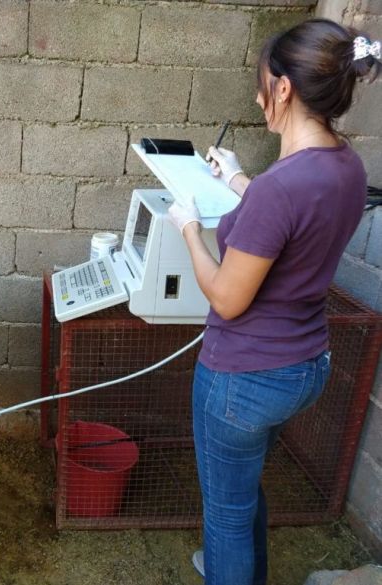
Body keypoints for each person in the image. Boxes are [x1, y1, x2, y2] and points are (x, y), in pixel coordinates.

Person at [166, 19, 380, 585]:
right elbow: (292, 220)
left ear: (284, 89)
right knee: (242, 484)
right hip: (307, 365)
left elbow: (228, 299)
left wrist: (189, 227)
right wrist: (239, 181)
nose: (258, 95)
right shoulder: (347, 167)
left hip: (243, 375)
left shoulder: (280, 189)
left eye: (262, 83)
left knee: (227, 517)